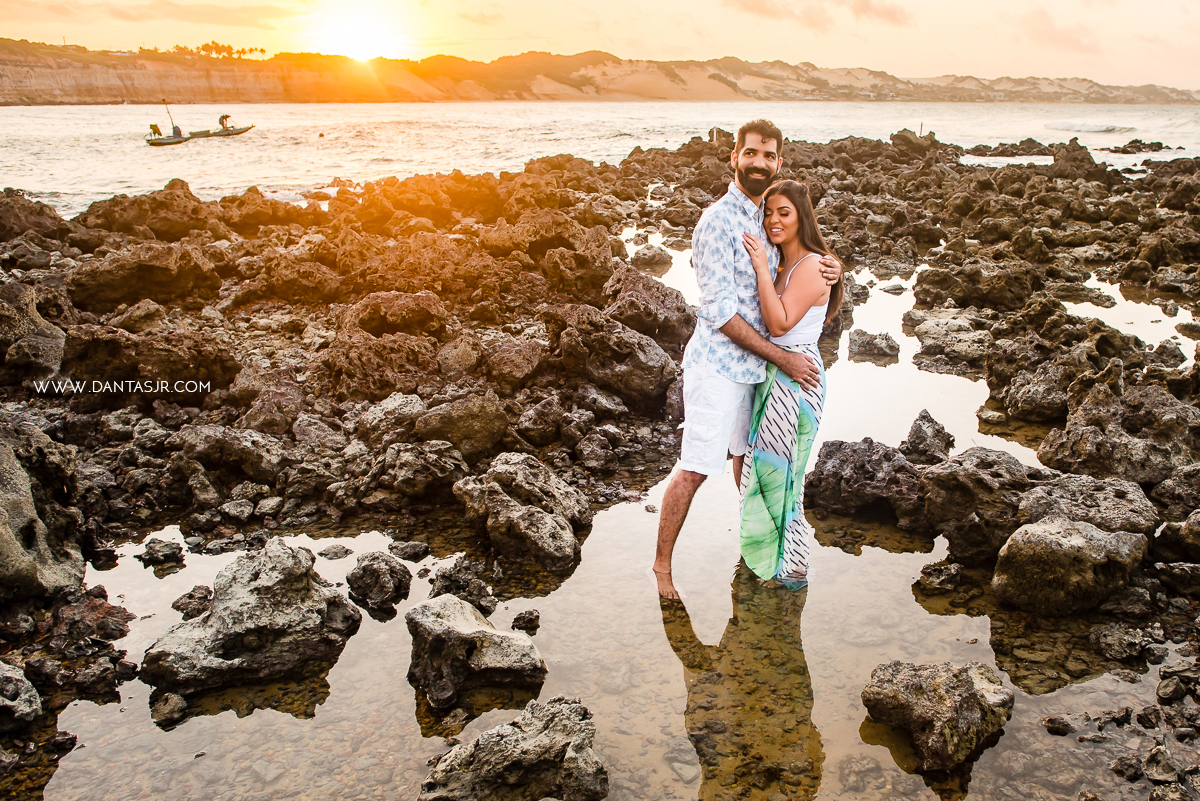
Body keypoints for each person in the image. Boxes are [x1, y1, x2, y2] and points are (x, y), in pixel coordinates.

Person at [652, 120, 841, 600]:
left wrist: (835, 269)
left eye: (769, 156)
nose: (760, 162)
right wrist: (783, 356)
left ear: (778, 162)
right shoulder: (717, 221)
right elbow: (717, 312)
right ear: (733, 156)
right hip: (718, 367)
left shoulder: (764, 216)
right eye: (751, 153)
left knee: (749, 462)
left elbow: (801, 260)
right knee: (695, 467)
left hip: (757, 371)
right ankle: (661, 568)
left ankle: (758, 547)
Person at [736, 180, 843, 590]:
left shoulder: (814, 265)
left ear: (801, 217)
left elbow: (780, 322)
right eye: (768, 212)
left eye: (784, 212)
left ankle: (791, 570)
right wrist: (767, 265)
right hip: (773, 375)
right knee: (763, 473)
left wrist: (762, 267)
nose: (774, 220)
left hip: (797, 379)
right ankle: (767, 560)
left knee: (785, 478)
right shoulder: (784, 262)